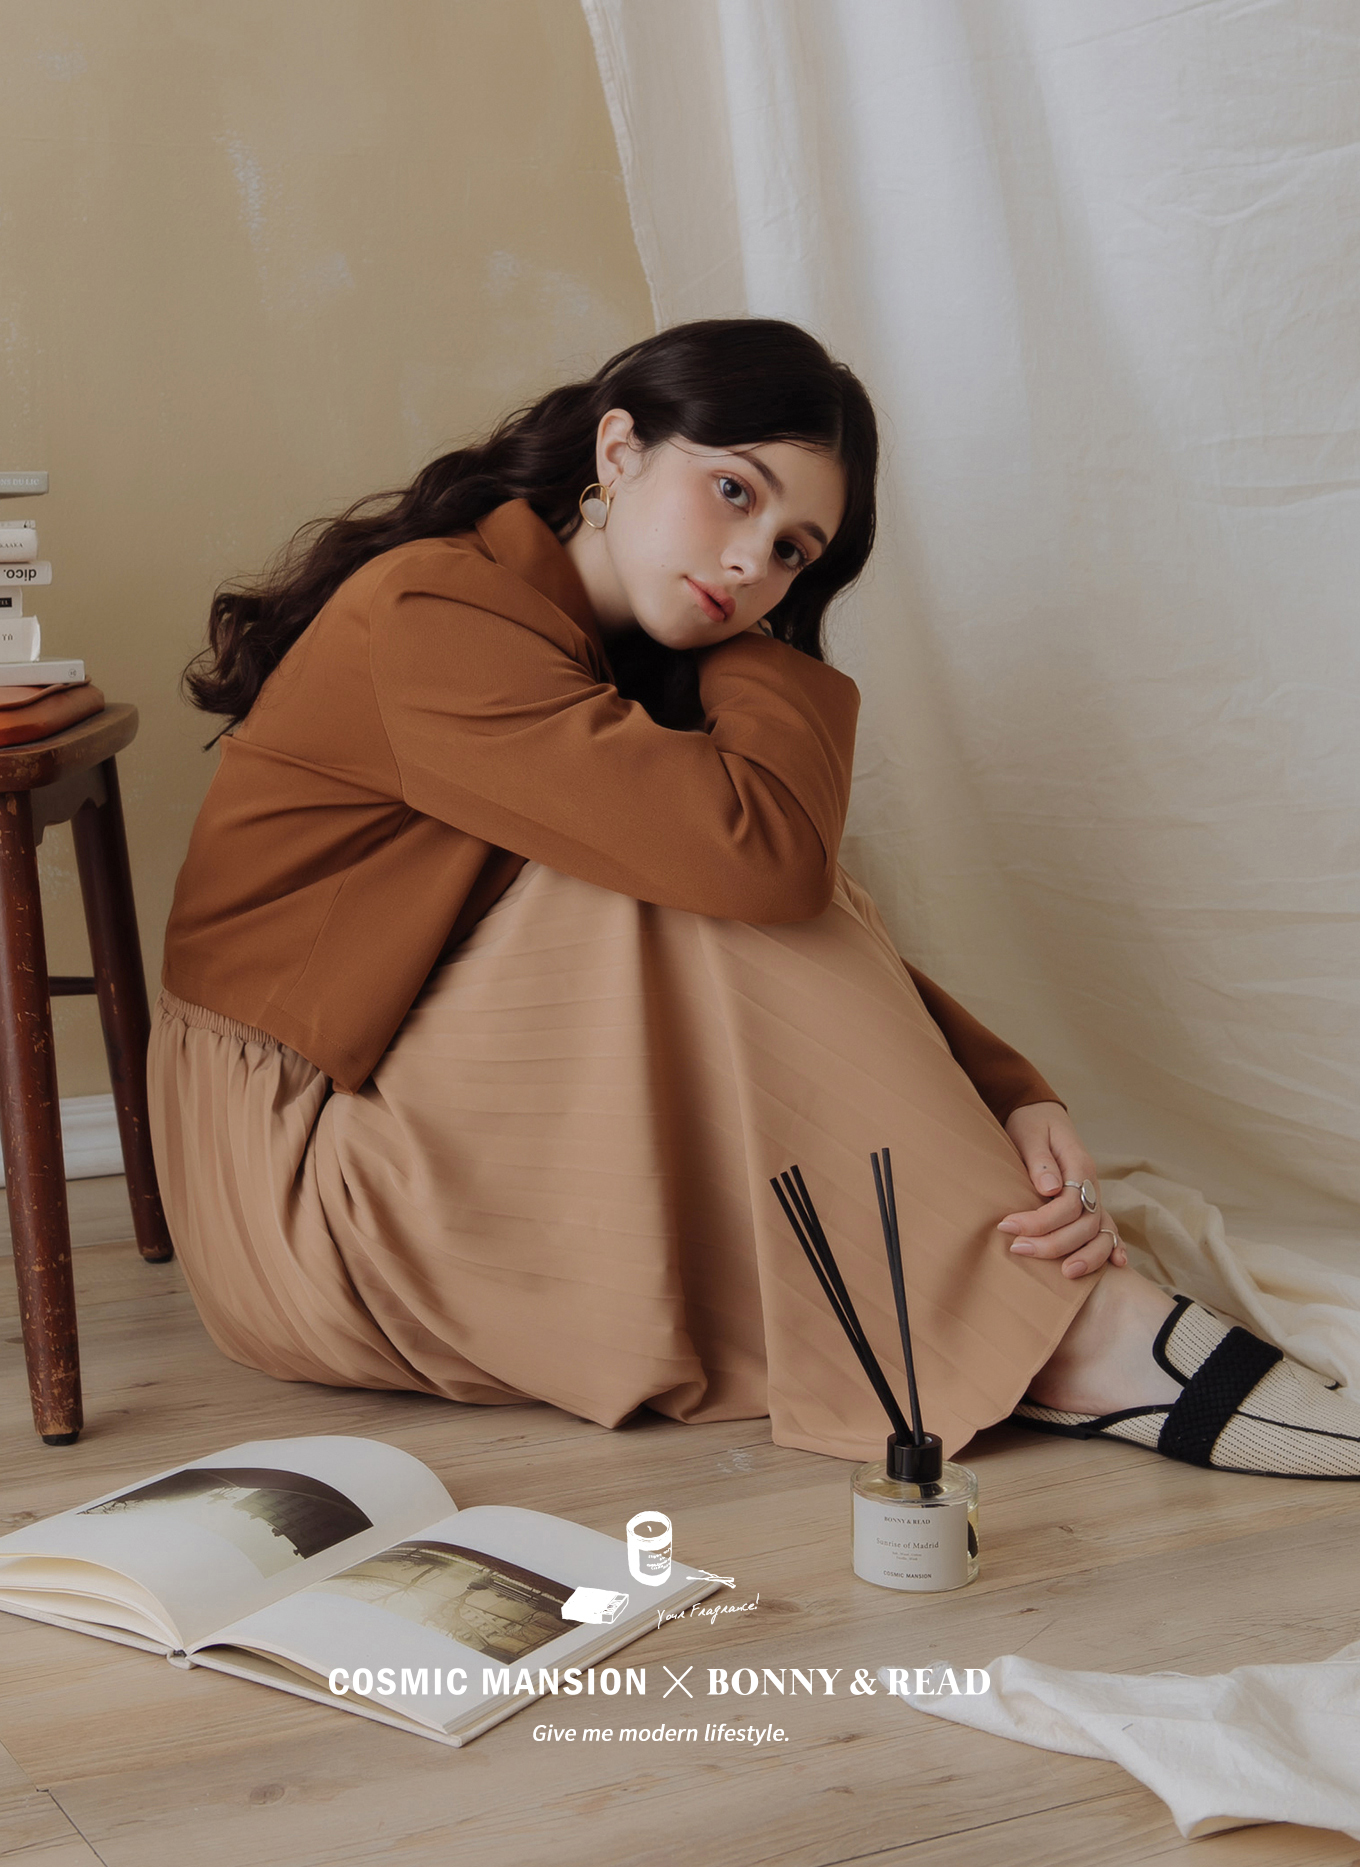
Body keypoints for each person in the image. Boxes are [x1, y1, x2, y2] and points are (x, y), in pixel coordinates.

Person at [151, 318, 1359, 1481]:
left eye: (793, 552)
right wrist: (755, 647)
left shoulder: (603, 644)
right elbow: (758, 865)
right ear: (618, 449)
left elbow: (771, 896)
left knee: (693, 858)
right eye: (733, 492)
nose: (750, 562)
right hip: (298, 1184)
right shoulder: (437, 611)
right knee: (685, 863)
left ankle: (1036, 1311)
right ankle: (1068, 1335)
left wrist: (1006, 1089)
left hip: (411, 1110)